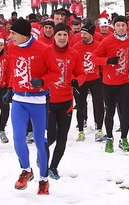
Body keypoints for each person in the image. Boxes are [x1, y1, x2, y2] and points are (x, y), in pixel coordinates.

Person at [5, 18, 59, 195]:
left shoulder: (43, 49)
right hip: (19, 100)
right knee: (18, 137)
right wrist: (10, 89)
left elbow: (56, 73)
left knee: (39, 141)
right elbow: (14, 70)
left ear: (23, 34)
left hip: (38, 101)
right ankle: (26, 170)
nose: (10, 36)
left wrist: (43, 81)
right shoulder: (12, 48)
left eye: (13, 33)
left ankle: (43, 180)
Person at [93, 16, 129, 153]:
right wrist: (107, 61)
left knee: (125, 111)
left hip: (125, 81)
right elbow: (94, 58)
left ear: (126, 27)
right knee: (110, 112)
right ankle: (110, 139)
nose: (121, 28)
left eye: (123, 26)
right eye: (118, 25)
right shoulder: (107, 41)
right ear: (114, 27)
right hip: (109, 82)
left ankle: (124, 139)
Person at [47, 23, 85, 179]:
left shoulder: (73, 53)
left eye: (64, 35)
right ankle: (42, 156)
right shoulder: (46, 52)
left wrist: (77, 81)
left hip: (67, 102)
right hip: (49, 101)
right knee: (51, 136)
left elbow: (81, 73)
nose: (62, 38)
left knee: (63, 137)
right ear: (54, 36)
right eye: (59, 35)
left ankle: (53, 167)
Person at [73, 23, 104, 141]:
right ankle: (81, 130)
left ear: (91, 34)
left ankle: (99, 129)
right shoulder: (76, 47)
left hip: (96, 79)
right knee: (80, 105)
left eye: (85, 33)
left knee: (99, 104)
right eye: (81, 33)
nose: (82, 36)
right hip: (81, 80)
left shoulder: (99, 46)